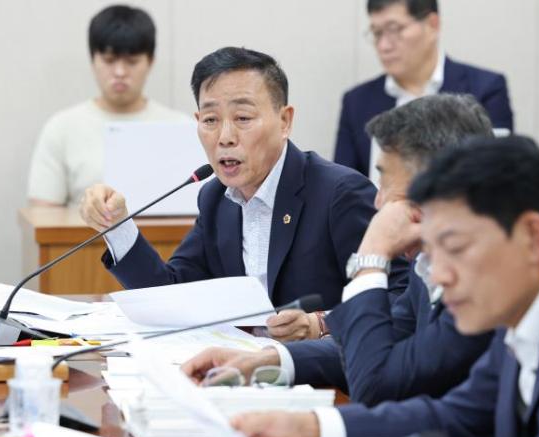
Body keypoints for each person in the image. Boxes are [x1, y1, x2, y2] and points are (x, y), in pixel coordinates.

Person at [234, 136, 539, 437]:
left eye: (456, 248)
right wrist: (310, 429)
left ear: (533, 238)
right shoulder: (523, 304)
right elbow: (459, 419)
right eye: (431, 250)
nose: (440, 275)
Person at [182, 94, 494, 404]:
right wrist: (267, 360)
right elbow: (372, 346)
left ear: (442, 187)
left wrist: (371, 257)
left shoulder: (484, 284)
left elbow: (375, 382)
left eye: (388, 184)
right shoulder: (426, 268)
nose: (379, 202)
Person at [79, 46, 390, 338]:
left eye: (243, 118)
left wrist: (321, 324)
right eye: (211, 120)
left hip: (324, 372)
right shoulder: (216, 199)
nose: (225, 137)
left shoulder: (339, 193)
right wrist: (117, 226)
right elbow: (169, 296)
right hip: (241, 368)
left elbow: (396, 297)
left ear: (285, 121)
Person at [27, 5, 190, 207]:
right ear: (93, 60)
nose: (120, 72)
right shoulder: (61, 128)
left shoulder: (182, 127)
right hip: (83, 229)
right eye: (109, 60)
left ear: (150, 62)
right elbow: (43, 213)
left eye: (132, 61)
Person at [334, 0, 513, 178]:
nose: (383, 46)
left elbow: (495, 175)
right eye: (377, 33)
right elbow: (345, 184)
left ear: (432, 24)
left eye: (394, 30)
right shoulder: (356, 101)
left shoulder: (485, 89)